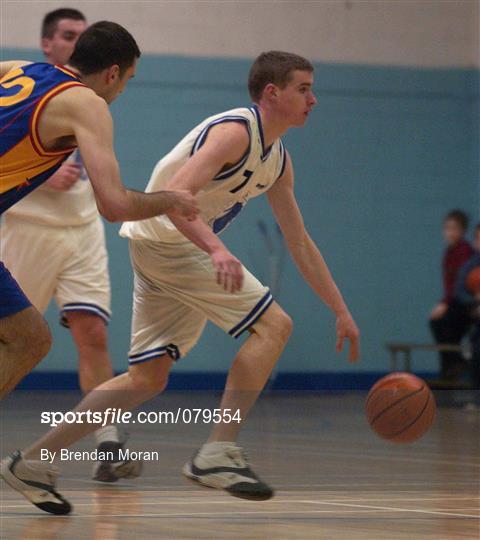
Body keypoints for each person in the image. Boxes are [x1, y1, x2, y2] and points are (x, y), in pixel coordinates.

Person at [1, 51, 360, 515]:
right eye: (304, 89)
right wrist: (216, 249)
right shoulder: (235, 132)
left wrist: (341, 310)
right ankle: (217, 454)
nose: (314, 99)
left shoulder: (277, 161)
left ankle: (33, 462)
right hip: (171, 243)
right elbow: (176, 200)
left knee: (146, 379)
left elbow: (301, 243)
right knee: (274, 326)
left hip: (164, 247)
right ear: (272, 93)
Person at [0, 23, 198, 399]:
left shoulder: (20, 69)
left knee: (30, 337)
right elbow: (114, 205)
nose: (122, 90)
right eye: (127, 80)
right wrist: (171, 199)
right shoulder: (88, 104)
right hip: (31, 228)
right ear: (112, 74)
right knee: (29, 341)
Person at [0, 8, 128, 483]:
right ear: (48, 45)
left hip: (81, 227)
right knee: (20, 338)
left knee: (90, 332)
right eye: (69, 36)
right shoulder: (32, 81)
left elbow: (107, 200)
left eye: (82, 36)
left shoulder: (85, 102)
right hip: (25, 225)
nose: (78, 44)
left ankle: (108, 439)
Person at [429, 210, 473, 382]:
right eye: (447, 228)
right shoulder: (449, 253)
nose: (450, 232)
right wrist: (443, 302)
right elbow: (448, 285)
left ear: (462, 231)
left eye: (454, 228)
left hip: (466, 303)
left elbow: (460, 285)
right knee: (438, 324)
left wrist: (445, 303)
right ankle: (451, 367)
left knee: (444, 324)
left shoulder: (465, 251)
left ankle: (455, 364)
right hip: (454, 302)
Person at [454, 223, 480, 393]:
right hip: (475, 314)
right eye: (478, 238)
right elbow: (459, 291)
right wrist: (474, 300)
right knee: (476, 347)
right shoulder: (470, 265)